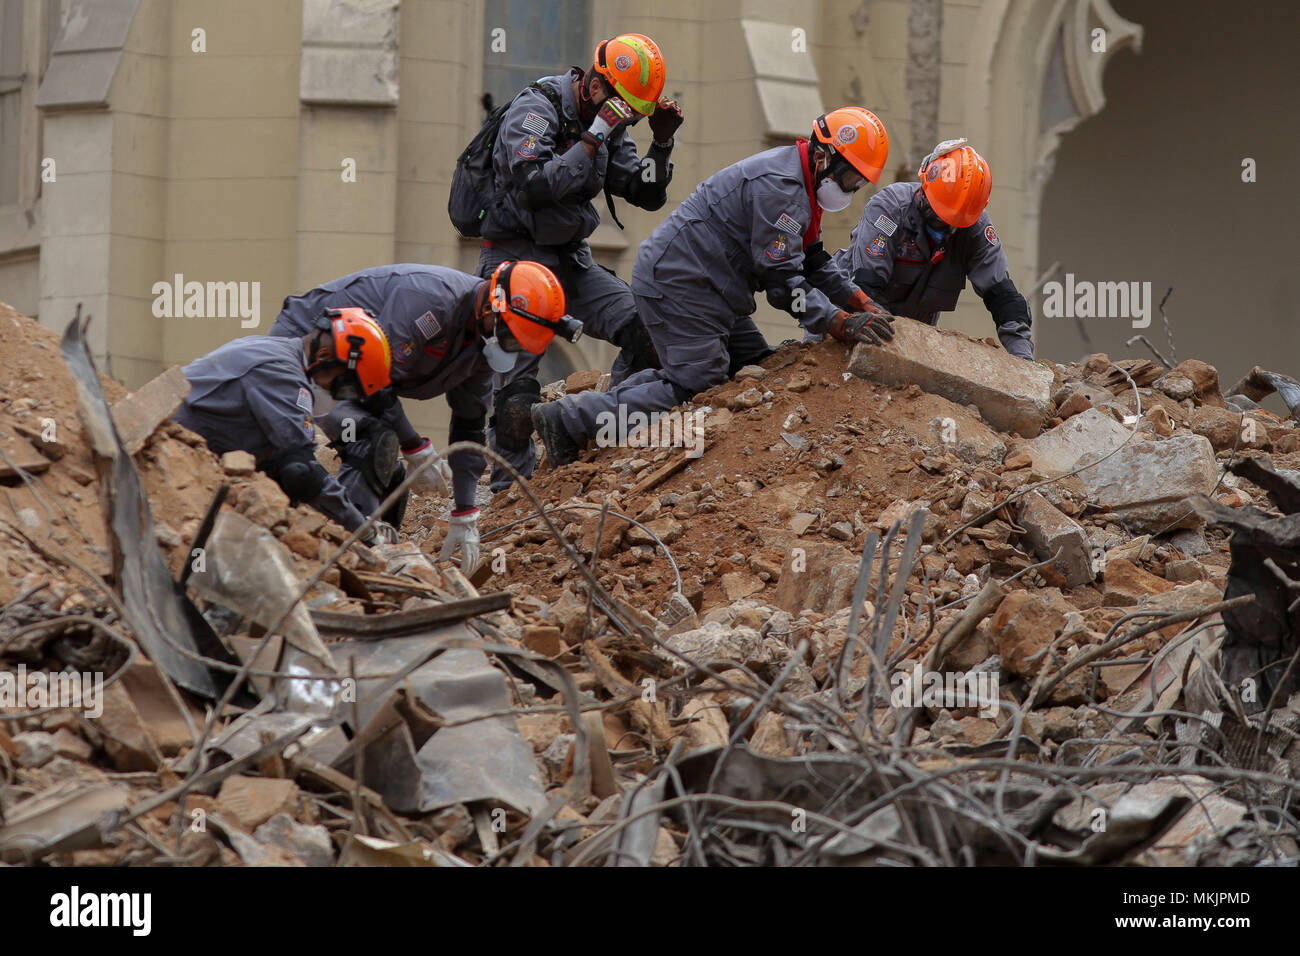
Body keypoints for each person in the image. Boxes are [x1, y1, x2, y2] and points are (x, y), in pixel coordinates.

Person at [530, 107, 897, 467]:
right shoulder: (781, 187)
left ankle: (621, 399)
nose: (852, 188)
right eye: (850, 178)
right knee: (699, 383)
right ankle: (568, 419)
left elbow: (813, 259)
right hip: (681, 284)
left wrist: (858, 300)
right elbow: (782, 285)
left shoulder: (803, 181)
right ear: (823, 156)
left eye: (859, 182)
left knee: (756, 366)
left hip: (713, 288)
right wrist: (838, 322)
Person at [471, 32, 684, 491]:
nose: (624, 119)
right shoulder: (535, 110)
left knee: (649, 332)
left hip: (571, 260)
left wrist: (661, 146)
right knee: (514, 399)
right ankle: (512, 496)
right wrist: (594, 136)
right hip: (516, 262)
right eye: (621, 108)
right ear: (593, 86)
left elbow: (643, 192)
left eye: (632, 113)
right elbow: (533, 186)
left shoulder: (613, 122)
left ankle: (603, 433)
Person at [266, 261, 580, 569]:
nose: (509, 348)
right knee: (371, 441)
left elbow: (468, 427)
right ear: (490, 309)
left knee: (391, 473)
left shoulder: (482, 345)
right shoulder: (427, 301)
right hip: (318, 357)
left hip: (358, 377)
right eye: (510, 338)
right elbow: (376, 386)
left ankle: (380, 554)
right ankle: (346, 553)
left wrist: (465, 511)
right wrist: (414, 445)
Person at [174, 308, 400, 547]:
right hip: (174, 457)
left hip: (194, 448)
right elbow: (300, 469)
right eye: (344, 387)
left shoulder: (273, 350)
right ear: (323, 356)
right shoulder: (283, 374)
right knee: (296, 472)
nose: (340, 397)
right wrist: (364, 531)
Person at [830, 138, 1034, 359]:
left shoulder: (975, 228)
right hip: (848, 321)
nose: (947, 225)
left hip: (913, 340)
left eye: (956, 221)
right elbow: (867, 286)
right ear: (925, 187)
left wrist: (1023, 359)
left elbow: (1003, 297)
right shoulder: (889, 208)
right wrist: (892, 343)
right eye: (941, 215)